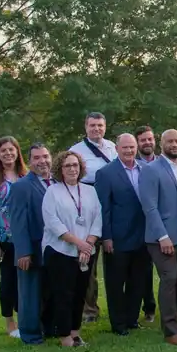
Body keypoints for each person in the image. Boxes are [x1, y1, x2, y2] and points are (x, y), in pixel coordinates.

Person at [138, 129, 177, 347]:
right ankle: (171, 332)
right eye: (170, 141)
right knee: (169, 278)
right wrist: (162, 236)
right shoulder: (151, 170)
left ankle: (175, 320)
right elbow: (150, 207)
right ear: (161, 144)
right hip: (161, 236)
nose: (174, 144)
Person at [42, 151, 101, 348]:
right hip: (61, 251)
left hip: (86, 252)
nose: (72, 169)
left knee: (80, 293)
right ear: (60, 169)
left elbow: (98, 219)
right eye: (68, 165)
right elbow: (52, 222)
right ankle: (65, 336)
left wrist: (89, 244)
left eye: (75, 165)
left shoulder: (90, 191)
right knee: (63, 295)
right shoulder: (53, 192)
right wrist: (79, 243)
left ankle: (76, 333)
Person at [94, 133, 148, 336]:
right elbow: (103, 208)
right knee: (116, 283)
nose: (129, 150)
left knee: (138, 280)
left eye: (132, 147)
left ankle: (132, 319)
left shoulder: (145, 169)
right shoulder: (106, 173)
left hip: (142, 236)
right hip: (117, 238)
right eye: (124, 147)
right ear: (116, 149)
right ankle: (118, 324)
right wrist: (106, 237)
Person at [68, 111, 116, 324]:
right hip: (88, 209)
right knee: (88, 261)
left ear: (105, 127)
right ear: (85, 127)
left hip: (113, 209)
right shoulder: (76, 151)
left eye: (100, 125)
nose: (96, 129)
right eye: (92, 125)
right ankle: (89, 310)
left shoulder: (113, 147)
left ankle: (119, 305)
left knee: (116, 262)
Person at [8, 143, 54, 345]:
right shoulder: (21, 186)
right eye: (37, 158)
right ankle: (29, 333)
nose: (42, 161)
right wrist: (23, 252)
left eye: (45, 156)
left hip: (53, 249)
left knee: (49, 292)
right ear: (29, 161)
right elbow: (17, 221)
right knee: (30, 294)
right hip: (31, 249)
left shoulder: (57, 182)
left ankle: (49, 328)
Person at [0, 136, 28, 337]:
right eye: (4, 151)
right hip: (4, 237)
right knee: (9, 279)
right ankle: (10, 322)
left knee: (25, 279)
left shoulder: (26, 176)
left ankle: (26, 317)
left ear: (17, 152)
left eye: (11, 150)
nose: (8, 154)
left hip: (25, 235)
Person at [133, 125, 158, 321]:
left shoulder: (166, 163)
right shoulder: (134, 166)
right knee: (144, 269)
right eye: (143, 140)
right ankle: (148, 307)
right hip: (141, 225)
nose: (147, 142)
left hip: (165, 224)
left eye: (150, 139)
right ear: (137, 144)